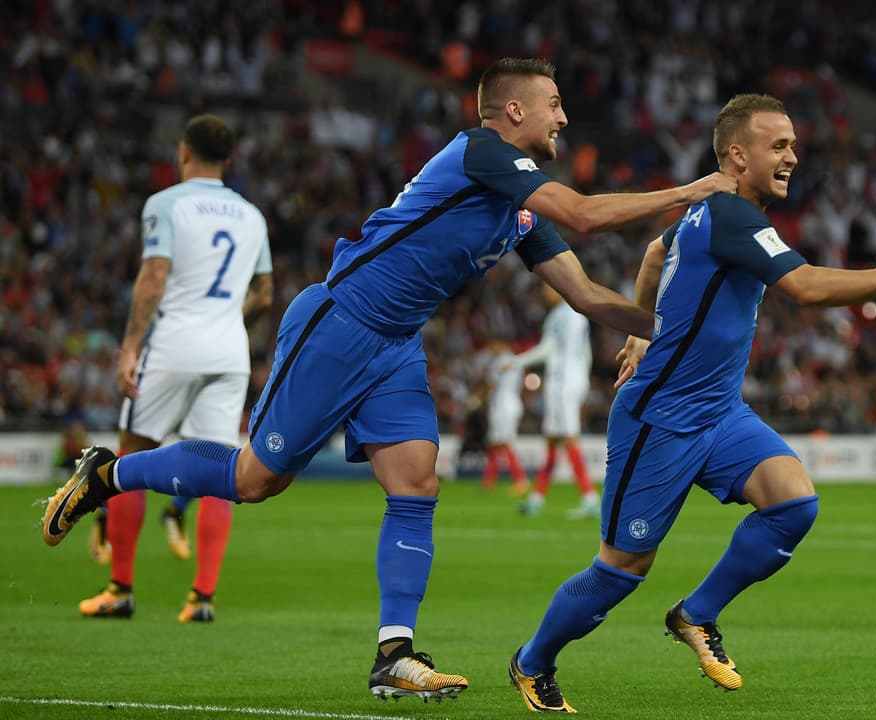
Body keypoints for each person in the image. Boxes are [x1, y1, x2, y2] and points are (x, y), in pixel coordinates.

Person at [41, 57, 736, 703]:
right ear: (514, 111)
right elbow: (583, 214)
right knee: (255, 481)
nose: (563, 117)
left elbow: (583, 294)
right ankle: (108, 475)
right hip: (342, 320)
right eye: (552, 105)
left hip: (396, 345)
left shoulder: (518, 206)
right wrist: (692, 190)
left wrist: (666, 328)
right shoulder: (481, 152)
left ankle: (394, 654)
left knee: (416, 483)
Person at [507, 94, 876, 713]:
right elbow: (805, 287)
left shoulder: (717, 214)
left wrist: (641, 331)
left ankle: (696, 614)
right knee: (620, 570)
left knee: (793, 503)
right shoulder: (730, 216)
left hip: (719, 412)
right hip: (660, 419)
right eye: (779, 146)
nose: (792, 157)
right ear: (737, 155)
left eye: (793, 145)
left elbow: (654, 253)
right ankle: (533, 661)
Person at [77, 114, 272, 623]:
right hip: (229, 351)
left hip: (174, 345)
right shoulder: (252, 216)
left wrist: (129, 347)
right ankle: (202, 597)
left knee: (129, 457)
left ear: (183, 152)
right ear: (228, 158)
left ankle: (120, 589)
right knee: (221, 470)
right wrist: (227, 322)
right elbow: (264, 294)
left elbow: (154, 275)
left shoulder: (166, 204)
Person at [515, 282, 599, 519]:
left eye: (548, 287)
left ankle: (590, 499)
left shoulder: (559, 316)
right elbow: (587, 353)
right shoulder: (580, 315)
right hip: (573, 380)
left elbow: (547, 349)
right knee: (553, 440)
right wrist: (583, 380)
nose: (545, 292)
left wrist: (516, 362)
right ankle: (537, 499)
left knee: (569, 437)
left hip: (562, 383)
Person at [480, 336, 530, 495]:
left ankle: (521, 480)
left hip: (503, 405)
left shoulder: (499, 361)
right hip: (511, 403)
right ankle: (488, 480)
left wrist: (480, 397)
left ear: (500, 344)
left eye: (493, 345)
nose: (491, 348)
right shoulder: (516, 361)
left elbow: (491, 384)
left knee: (504, 443)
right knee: (494, 442)